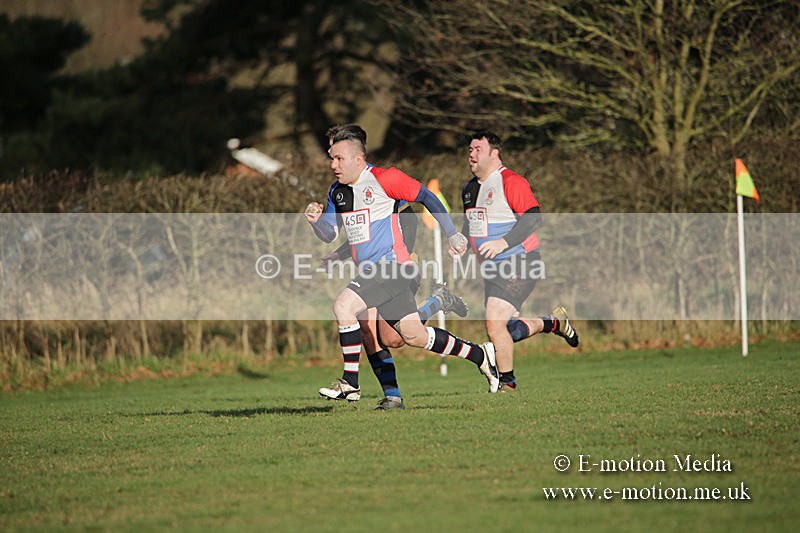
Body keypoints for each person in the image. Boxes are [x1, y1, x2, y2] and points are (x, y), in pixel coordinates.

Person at [305, 125, 499, 403]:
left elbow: (427, 197)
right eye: (331, 158)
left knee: (344, 306)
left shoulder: (387, 179)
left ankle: (350, 382)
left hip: (394, 268)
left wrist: (452, 233)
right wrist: (316, 223)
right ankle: (480, 355)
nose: (332, 164)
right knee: (411, 335)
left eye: (337, 158)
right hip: (373, 273)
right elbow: (330, 233)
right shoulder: (337, 192)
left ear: (357, 159)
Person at [455, 131, 579, 392]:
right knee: (503, 330)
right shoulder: (469, 189)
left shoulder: (511, 181)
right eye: (470, 149)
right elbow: (471, 225)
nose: (472, 154)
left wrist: (503, 243)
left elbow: (534, 218)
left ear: (494, 153)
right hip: (491, 269)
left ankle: (507, 384)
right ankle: (552, 323)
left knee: (494, 324)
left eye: (478, 149)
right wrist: (462, 244)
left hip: (520, 261)